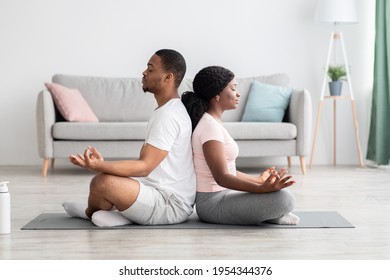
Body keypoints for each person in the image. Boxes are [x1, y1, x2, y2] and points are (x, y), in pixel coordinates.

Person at [62, 49, 196, 227]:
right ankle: (118, 214)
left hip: (170, 204)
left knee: (102, 182)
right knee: (108, 178)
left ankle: (89, 213)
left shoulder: (168, 116)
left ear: (167, 77)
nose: (144, 72)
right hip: (158, 192)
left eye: (150, 69)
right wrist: (104, 165)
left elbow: (144, 167)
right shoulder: (168, 110)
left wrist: (98, 166)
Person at [181, 66, 300, 225]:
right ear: (217, 95)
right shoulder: (209, 127)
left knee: (283, 196)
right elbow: (222, 177)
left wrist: (258, 181)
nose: (237, 93)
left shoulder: (213, 123)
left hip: (225, 195)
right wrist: (262, 189)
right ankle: (270, 214)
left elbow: (229, 171)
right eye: (233, 88)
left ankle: (267, 214)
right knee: (285, 200)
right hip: (212, 204)